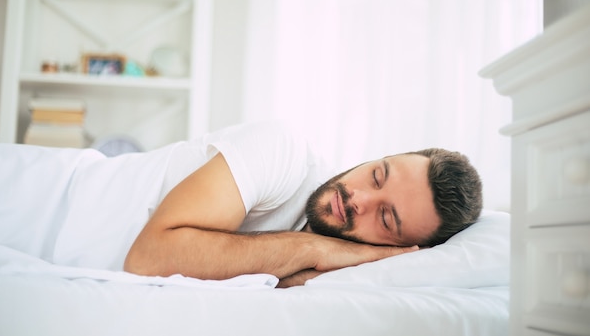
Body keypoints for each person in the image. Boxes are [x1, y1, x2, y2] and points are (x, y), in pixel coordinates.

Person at [122, 121, 483, 288]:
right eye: (376, 175)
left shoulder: (344, 277)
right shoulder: (283, 151)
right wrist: (311, 247)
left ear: (398, 250)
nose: (358, 198)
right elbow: (148, 258)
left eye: (385, 217)